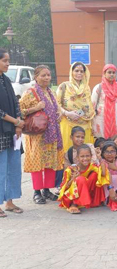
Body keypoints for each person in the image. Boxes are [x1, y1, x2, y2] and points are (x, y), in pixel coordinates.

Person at [20, 65, 64, 205]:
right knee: (37, 163)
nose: (46, 78)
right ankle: (37, 192)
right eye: (43, 75)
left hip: (52, 133)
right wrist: (36, 108)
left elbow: (56, 108)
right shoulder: (30, 93)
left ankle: (46, 190)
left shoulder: (51, 92)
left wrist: (60, 113)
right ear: (36, 77)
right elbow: (20, 111)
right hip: (38, 135)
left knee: (50, 162)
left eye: (48, 75)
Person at [0, 48, 24, 217]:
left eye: (8, 60)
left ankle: (9, 201)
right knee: (1, 168)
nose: (8, 63)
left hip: (12, 133)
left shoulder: (6, 80)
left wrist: (18, 124)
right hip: (1, 132)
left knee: (13, 167)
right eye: (5, 60)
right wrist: (15, 121)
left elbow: (16, 103)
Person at [58, 144, 110, 213]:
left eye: (87, 156)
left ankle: (91, 201)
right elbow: (64, 188)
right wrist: (73, 179)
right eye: (82, 156)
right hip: (70, 197)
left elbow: (103, 174)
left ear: (91, 156)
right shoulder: (71, 169)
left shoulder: (92, 166)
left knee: (95, 175)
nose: (85, 159)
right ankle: (74, 204)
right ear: (77, 158)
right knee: (80, 179)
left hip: (84, 193)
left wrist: (99, 158)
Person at [57, 62, 95, 150]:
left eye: (81, 71)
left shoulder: (86, 88)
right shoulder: (64, 86)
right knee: (68, 150)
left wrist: (92, 125)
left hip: (85, 123)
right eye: (76, 71)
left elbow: (90, 107)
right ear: (72, 72)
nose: (79, 73)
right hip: (68, 122)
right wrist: (67, 113)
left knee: (84, 152)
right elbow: (56, 104)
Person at [91, 64, 117, 139]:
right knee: (101, 141)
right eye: (109, 72)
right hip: (101, 120)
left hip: (115, 119)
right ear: (104, 74)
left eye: (113, 72)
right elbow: (92, 105)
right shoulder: (99, 87)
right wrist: (90, 123)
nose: (111, 74)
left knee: (115, 141)